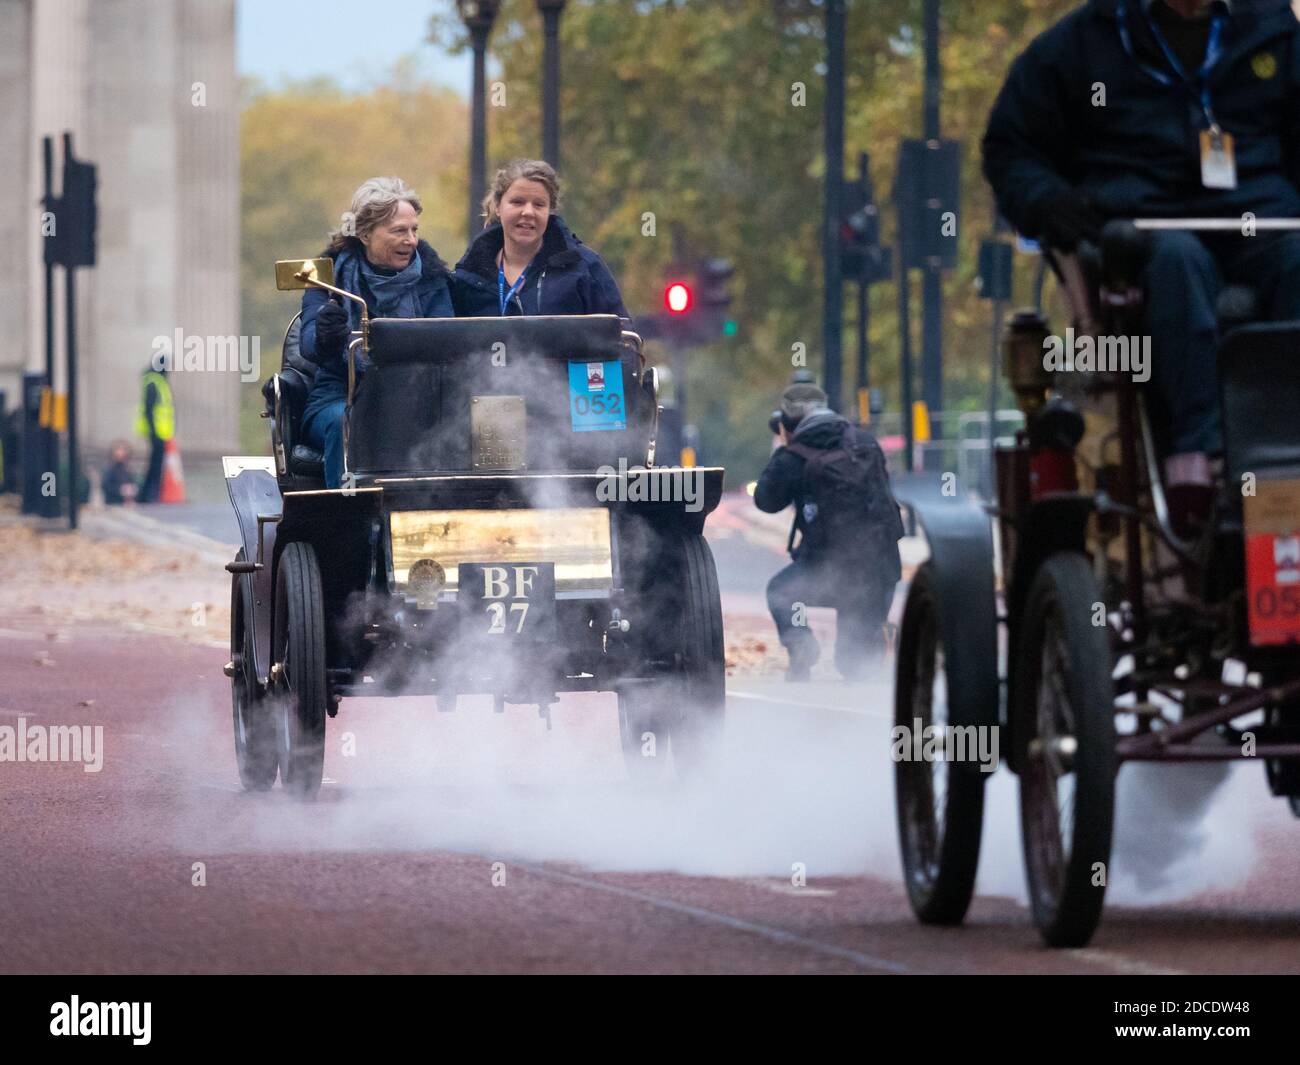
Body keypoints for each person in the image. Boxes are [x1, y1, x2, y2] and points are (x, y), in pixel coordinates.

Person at [983, 0, 1300, 535]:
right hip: (1145, 228)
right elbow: (1010, 148)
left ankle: (1286, 454)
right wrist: (1050, 202)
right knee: (1178, 263)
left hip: (1258, 218)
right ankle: (1196, 470)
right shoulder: (1081, 44)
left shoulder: (1272, 29)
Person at [300, 177, 455, 488]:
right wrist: (326, 333)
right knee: (343, 421)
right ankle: (348, 521)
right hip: (341, 394)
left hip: (417, 393)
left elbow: (447, 342)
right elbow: (308, 344)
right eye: (399, 230)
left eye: (414, 230)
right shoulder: (325, 278)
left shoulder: (433, 280)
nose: (411, 240)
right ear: (365, 233)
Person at [754, 383, 904, 682]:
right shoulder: (865, 444)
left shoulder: (794, 456)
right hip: (880, 572)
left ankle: (802, 646)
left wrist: (783, 449)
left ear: (788, 423)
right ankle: (875, 647)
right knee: (855, 667)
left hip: (828, 573)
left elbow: (765, 500)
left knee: (781, 593)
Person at [450, 159, 629, 319]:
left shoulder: (585, 267)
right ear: (498, 207)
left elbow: (623, 340)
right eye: (517, 202)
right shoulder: (468, 277)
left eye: (539, 204)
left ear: (550, 211)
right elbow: (451, 350)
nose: (528, 212)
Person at [135, 362, 173, 503]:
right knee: (154, 466)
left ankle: (149, 495)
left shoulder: (157, 381)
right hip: (156, 433)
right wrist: (154, 432)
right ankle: (148, 495)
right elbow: (149, 410)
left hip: (160, 432)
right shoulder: (154, 382)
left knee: (155, 465)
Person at [101, 440, 136, 505]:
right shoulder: (110, 469)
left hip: (126, 503)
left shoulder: (127, 469)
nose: (121, 453)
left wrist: (131, 490)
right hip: (113, 502)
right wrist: (120, 490)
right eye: (119, 450)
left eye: (123, 451)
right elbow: (106, 486)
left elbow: (132, 483)